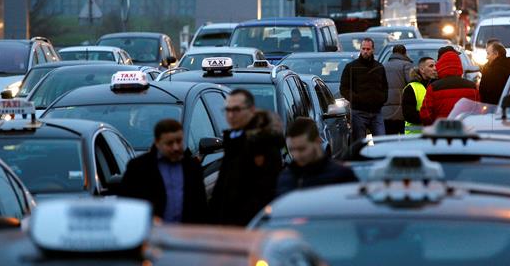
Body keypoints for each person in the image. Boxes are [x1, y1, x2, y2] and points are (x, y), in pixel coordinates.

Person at [210, 90, 284, 226]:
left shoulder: (263, 142)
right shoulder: (233, 139)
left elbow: (265, 190)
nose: (231, 115)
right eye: (228, 110)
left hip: (249, 226)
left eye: (237, 110)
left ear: (251, 110)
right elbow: (223, 186)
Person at [120, 119, 208, 224]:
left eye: (179, 141)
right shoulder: (139, 167)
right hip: (152, 235)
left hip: (187, 235)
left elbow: (201, 206)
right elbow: (126, 204)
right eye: (169, 143)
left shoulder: (192, 167)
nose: (175, 147)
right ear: (157, 143)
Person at [276, 117, 356, 196]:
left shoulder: (341, 175)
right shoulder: (286, 178)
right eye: (292, 149)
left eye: (301, 149)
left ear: (317, 141)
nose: (296, 155)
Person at [340, 37, 388, 141]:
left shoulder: (379, 67)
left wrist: (382, 99)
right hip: (358, 112)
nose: (365, 51)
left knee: (381, 142)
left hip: (376, 111)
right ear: (360, 49)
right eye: (363, 48)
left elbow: (385, 86)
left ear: (373, 50)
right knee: (359, 144)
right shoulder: (351, 67)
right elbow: (344, 88)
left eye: (368, 49)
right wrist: (356, 99)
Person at [420, 49, 480, 125]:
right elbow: (477, 112)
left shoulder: (433, 87)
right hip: (465, 131)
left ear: (441, 65)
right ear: (459, 65)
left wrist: (435, 126)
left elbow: (425, 115)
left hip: (441, 131)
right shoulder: (472, 86)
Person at [381, 44, 413, 135]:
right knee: (403, 139)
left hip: (386, 111)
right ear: (405, 53)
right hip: (402, 110)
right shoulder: (407, 65)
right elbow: (411, 84)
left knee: (390, 138)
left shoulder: (384, 65)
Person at [402, 56, 437, 134]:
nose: (435, 68)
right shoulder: (411, 88)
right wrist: (429, 118)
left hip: (433, 136)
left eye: (435, 66)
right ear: (422, 70)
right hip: (414, 137)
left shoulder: (436, 85)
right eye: (431, 66)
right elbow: (408, 115)